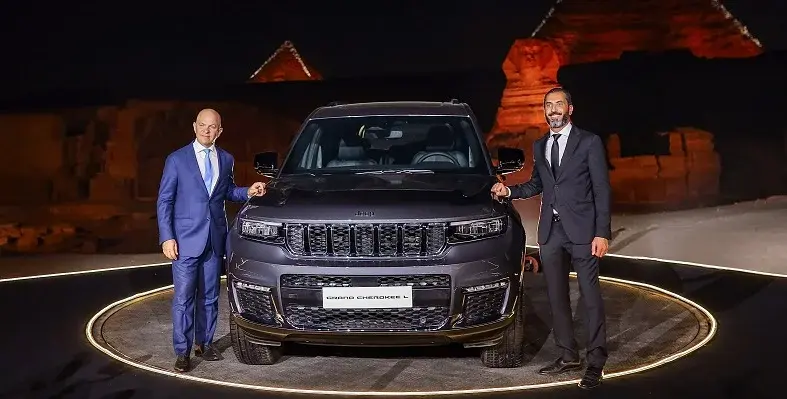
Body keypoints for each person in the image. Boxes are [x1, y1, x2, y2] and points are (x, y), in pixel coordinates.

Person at [491, 87, 611, 390]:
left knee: (590, 298)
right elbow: (537, 185)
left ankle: (596, 361)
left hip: (584, 232)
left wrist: (602, 232)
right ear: (544, 111)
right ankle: (568, 355)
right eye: (548, 105)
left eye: (559, 104)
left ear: (570, 109)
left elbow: (601, 189)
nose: (553, 109)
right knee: (557, 297)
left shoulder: (589, 142)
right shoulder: (540, 144)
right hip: (551, 232)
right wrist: (509, 191)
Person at [156, 108, 266, 372]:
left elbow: (228, 192)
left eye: (213, 126)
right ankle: (182, 352)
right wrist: (167, 237)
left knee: (209, 297)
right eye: (203, 125)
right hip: (184, 242)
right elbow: (165, 200)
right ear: (194, 127)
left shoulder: (226, 159)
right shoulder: (177, 159)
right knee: (184, 299)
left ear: (220, 131)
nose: (207, 130)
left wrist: (248, 191)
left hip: (215, 239)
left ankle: (204, 344)